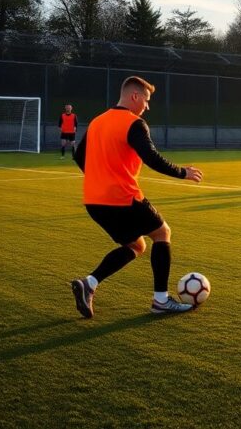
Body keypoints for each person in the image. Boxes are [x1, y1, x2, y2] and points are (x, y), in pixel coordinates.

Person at [70, 76, 204, 318]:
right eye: (146, 100)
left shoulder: (98, 121)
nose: (147, 106)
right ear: (135, 96)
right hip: (122, 197)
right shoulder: (134, 123)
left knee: (136, 245)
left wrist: (100, 178)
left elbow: (79, 156)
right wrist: (182, 172)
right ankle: (161, 301)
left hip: (94, 201)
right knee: (162, 233)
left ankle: (89, 283)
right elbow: (151, 157)